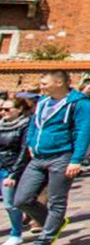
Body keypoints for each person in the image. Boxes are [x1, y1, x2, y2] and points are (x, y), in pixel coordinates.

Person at [9, 69, 90, 244]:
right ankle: (55, 223)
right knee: (21, 199)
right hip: (38, 157)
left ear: (59, 83)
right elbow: (34, 124)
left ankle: (46, 238)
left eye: (44, 84)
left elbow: (84, 131)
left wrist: (76, 160)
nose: (41, 87)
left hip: (62, 156)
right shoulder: (43, 101)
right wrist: (31, 142)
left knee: (56, 200)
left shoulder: (80, 104)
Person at [0, 96, 32, 242]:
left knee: (10, 204)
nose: (3, 112)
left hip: (11, 168)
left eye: (7, 109)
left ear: (19, 109)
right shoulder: (1, 125)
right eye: (1, 109)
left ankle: (16, 234)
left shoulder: (25, 125)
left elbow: (24, 151)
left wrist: (13, 174)